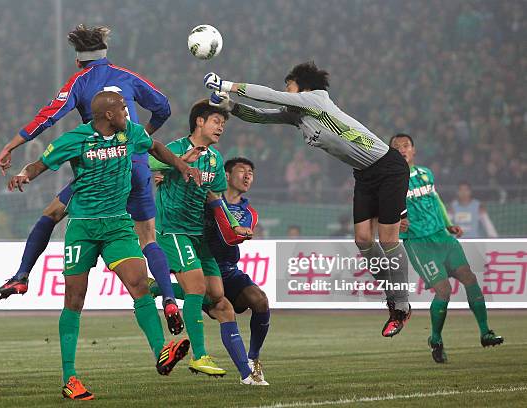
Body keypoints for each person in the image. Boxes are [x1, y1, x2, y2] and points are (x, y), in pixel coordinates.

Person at [0, 24, 183, 334]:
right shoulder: (127, 76)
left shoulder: (79, 81)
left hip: (100, 169)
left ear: (78, 59)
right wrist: (142, 136)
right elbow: (163, 107)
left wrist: (12, 144)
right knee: (148, 236)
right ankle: (170, 299)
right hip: (136, 164)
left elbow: (49, 116)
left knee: (52, 214)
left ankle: (22, 275)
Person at [6, 92, 198, 399]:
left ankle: (161, 350)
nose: (127, 112)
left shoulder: (130, 133)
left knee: (138, 284)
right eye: (123, 109)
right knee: (74, 300)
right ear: (108, 115)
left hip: (118, 225)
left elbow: (157, 147)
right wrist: (22, 174)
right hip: (82, 227)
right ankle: (70, 378)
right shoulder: (76, 139)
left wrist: (181, 166)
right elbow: (41, 164)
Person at [204, 61, 411, 337]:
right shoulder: (297, 115)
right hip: (364, 174)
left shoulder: (315, 100)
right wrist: (230, 106)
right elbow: (261, 116)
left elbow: (269, 95)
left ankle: (400, 305)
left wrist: (226, 84)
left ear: (302, 86)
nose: (285, 90)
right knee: (362, 239)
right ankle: (392, 287)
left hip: (388, 168)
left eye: (288, 85)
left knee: (387, 240)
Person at [149, 100, 267, 385]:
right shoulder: (175, 148)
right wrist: (165, 169)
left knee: (219, 298)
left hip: (199, 236)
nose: (221, 127)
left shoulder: (214, 158)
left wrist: (234, 224)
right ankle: (199, 355)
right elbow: (145, 162)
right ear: (199, 122)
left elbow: (215, 199)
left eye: (223, 124)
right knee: (198, 287)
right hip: (174, 231)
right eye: (216, 121)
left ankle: (247, 375)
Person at [390, 133, 503, 364]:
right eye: (397, 147)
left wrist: (448, 223)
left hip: (442, 236)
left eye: (406, 145)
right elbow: (379, 206)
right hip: (419, 242)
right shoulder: (389, 179)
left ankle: (485, 333)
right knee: (444, 290)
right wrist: (393, 220)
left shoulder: (425, 174)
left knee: (470, 278)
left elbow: (436, 199)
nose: (402, 149)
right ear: (392, 152)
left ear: (414, 150)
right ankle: (436, 339)